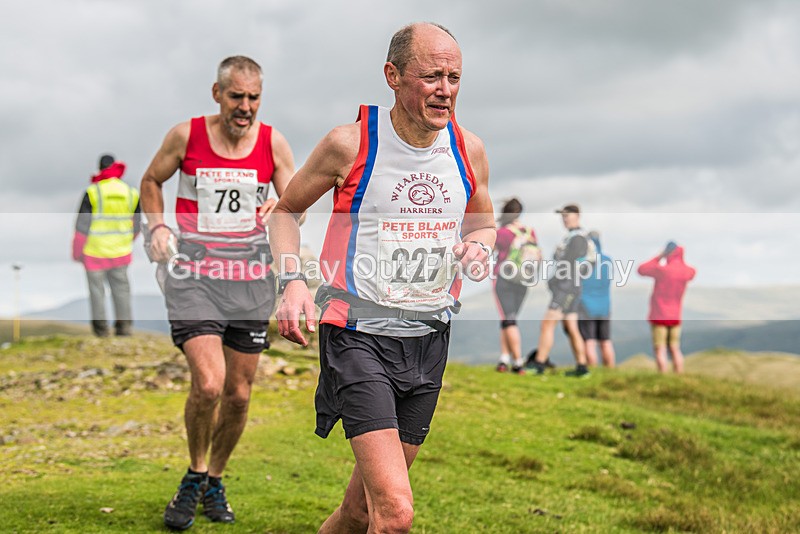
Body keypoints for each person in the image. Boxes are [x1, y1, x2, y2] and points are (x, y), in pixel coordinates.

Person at [268, 23, 495, 533]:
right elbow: (284, 211)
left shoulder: (469, 149)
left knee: (359, 512)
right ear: (393, 76)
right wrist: (294, 282)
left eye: (454, 77)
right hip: (357, 336)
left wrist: (479, 246)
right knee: (395, 514)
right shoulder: (349, 144)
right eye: (431, 75)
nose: (446, 89)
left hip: (429, 339)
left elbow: (482, 219)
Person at [140, 56, 296, 530]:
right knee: (208, 383)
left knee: (239, 395)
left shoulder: (273, 143)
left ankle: (215, 479)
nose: (245, 107)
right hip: (194, 276)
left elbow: (296, 207)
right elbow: (150, 180)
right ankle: (194, 472)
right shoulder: (186, 135)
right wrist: (158, 225)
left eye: (253, 98)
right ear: (217, 93)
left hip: (249, 279)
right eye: (236, 96)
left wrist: (281, 206)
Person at [72, 154, 141, 337]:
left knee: (97, 292)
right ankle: (124, 329)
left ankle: (101, 331)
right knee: (122, 291)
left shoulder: (94, 192)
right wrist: (127, 241)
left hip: (94, 251)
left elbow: (81, 226)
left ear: (100, 168)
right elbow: (137, 224)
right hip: (121, 251)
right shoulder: (131, 193)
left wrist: (77, 252)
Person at [529, 204, 593, 377]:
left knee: (547, 323)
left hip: (566, 287)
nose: (564, 219)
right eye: (562, 216)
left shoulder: (577, 238)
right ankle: (582, 367)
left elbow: (569, 264)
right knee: (571, 326)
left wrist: (554, 280)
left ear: (577, 216)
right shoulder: (574, 237)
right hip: (572, 286)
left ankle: (539, 364)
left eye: (567, 215)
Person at [493, 198, 540, 374]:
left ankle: (517, 361)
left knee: (509, 318)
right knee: (508, 317)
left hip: (504, 278)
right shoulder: (530, 232)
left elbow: (491, 250)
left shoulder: (502, 233)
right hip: (524, 280)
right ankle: (504, 358)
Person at [638, 241, 696, 373]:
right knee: (675, 347)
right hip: (676, 316)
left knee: (660, 348)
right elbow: (693, 272)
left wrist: (659, 256)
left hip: (659, 315)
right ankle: (679, 374)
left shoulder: (662, 270)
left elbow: (641, 269)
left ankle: (662, 375)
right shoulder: (685, 271)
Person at [578, 231, 616, 368]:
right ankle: (610, 370)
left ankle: (593, 371)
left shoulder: (583, 262)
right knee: (605, 341)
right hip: (604, 306)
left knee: (589, 341)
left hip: (585, 305)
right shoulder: (608, 260)